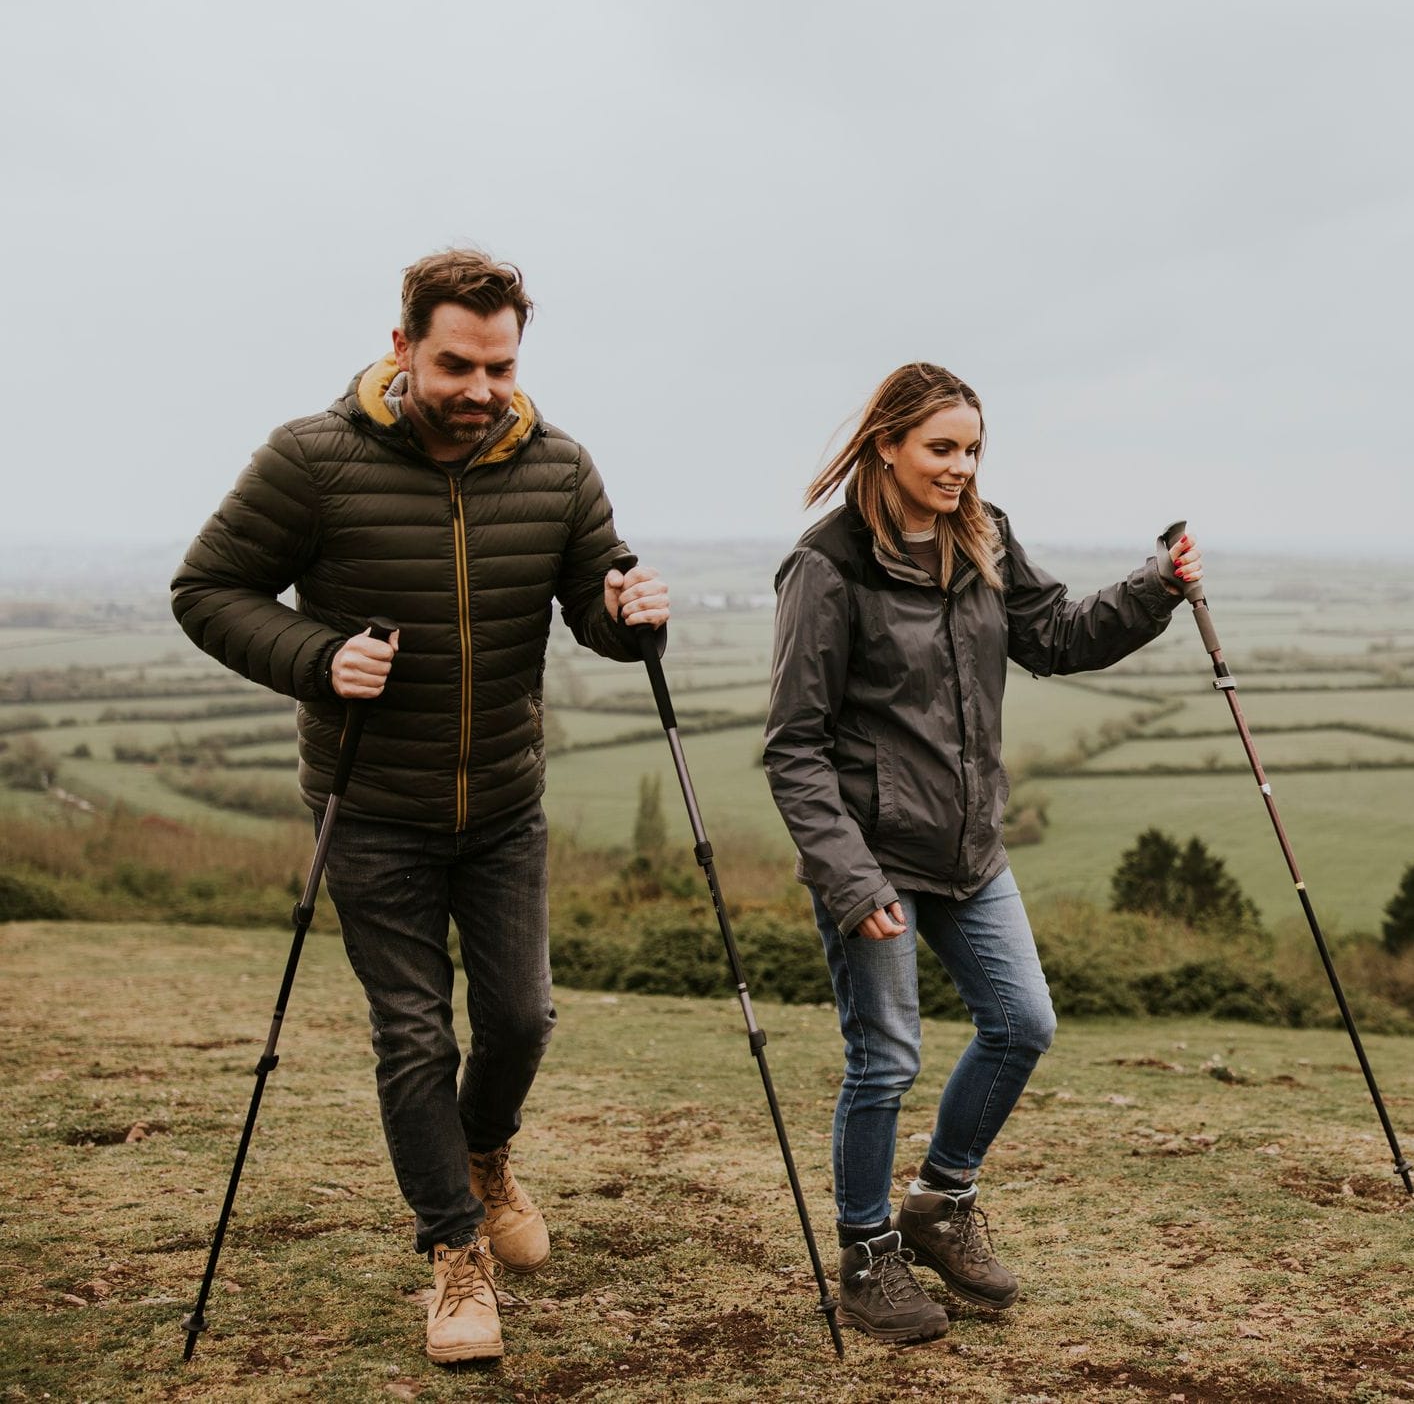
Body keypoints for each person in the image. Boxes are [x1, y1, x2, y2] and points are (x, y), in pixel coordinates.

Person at [171, 249, 669, 1364]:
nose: (480, 389)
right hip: (371, 804)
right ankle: (453, 1254)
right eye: (456, 363)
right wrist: (315, 654)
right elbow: (205, 591)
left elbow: (599, 614)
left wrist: (632, 611)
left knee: (524, 1017)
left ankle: (485, 1156)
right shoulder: (311, 458)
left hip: (502, 798)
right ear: (402, 347)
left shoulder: (559, 465)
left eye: (499, 366)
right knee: (411, 1030)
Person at [763, 362, 1202, 1344]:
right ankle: (868, 1254)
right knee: (883, 1060)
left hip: (968, 846)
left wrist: (1155, 586)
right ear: (886, 443)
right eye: (941, 448)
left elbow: (1055, 634)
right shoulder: (827, 566)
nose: (961, 467)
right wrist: (847, 876)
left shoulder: (982, 536)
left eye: (972, 449)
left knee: (1021, 1022)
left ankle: (939, 1202)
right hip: (872, 857)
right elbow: (793, 743)